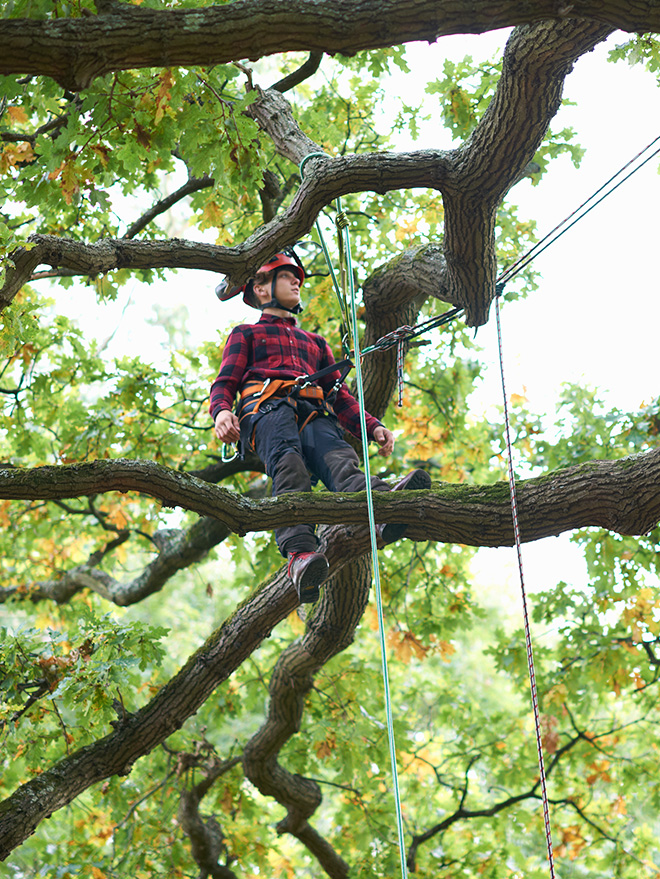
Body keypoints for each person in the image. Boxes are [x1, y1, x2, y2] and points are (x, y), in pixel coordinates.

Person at [210, 252, 431, 603]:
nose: (297, 281)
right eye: (287, 276)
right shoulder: (246, 334)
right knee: (289, 463)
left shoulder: (315, 344)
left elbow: (339, 397)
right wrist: (222, 412)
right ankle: (299, 555)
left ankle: (382, 509)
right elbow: (225, 382)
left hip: (315, 412)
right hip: (267, 409)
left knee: (341, 462)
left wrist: (371, 427)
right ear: (262, 289)